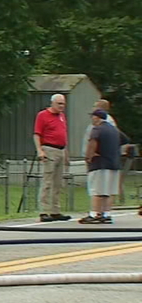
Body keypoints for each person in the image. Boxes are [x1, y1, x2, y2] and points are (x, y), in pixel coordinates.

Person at [33, 93, 72, 222]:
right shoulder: (43, 115)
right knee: (47, 181)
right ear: (52, 103)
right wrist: (40, 150)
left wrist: (66, 153)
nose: (62, 106)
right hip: (49, 149)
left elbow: (63, 135)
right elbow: (37, 134)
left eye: (63, 104)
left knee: (58, 183)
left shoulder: (61, 116)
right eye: (59, 104)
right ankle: (44, 211)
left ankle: (55, 210)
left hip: (60, 149)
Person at [80, 109, 122, 224]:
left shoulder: (97, 129)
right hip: (114, 164)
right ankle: (107, 214)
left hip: (100, 164)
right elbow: (125, 140)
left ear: (97, 117)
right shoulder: (114, 130)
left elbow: (92, 143)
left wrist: (89, 157)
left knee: (96, 191)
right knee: (108, 191)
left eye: (93, 117)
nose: (92, 119)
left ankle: (94, 214)